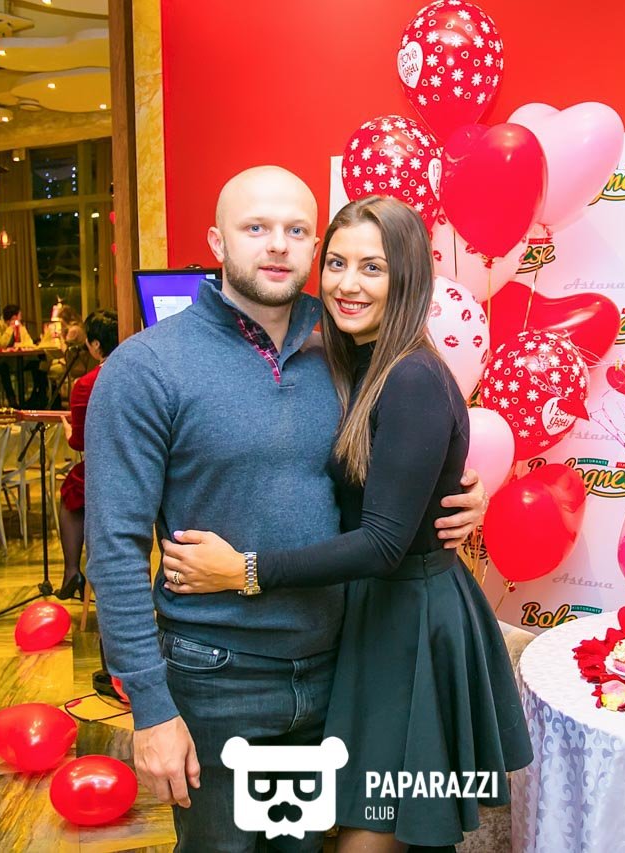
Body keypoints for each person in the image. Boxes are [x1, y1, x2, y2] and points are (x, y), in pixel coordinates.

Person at [84, 166, 485, 853]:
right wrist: (149, 707)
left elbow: (395, 461)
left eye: (297, 230)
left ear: (314, 247)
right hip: (217, 675)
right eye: (256, 227)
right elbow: (114, 547)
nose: (277, 244)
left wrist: (457, 490)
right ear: (217, 241)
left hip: (337, 665)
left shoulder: (345, 350)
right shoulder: (147, 367)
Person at [162, 196, 532, 851]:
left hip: (409, 625)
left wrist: (244, 570)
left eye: (372, 267)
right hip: (370, 618)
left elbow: (384, 542)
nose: (348, 283)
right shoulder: (354, 361)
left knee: (377, 831)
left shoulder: (410, 377)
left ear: (407, 277)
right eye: (336, 263)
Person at [56, 309, 118, 601]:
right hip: (147, 468)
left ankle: (72, 570)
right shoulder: (143, 374)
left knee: (72, 488)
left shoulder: (85, 385)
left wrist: (69, 432)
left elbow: (80, 443)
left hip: (107, 472)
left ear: (95, 345)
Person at [0, 304, 41, 407]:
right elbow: (2, 344)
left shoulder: (18, 326)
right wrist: (10, 328)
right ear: (14, 317)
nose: (21, 318)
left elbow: (28, 342)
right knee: (3, 367)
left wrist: (21, 330)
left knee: (36, 363)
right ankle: (12, 400)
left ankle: (37, 396)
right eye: (20, 316)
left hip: (11, 360)